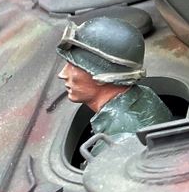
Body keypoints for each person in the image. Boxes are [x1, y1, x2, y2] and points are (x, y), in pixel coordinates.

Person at [57, 16, 171, 155]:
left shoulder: (115, 144)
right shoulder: (143, 95)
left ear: (101, 76)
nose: (62, 74)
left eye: (73, 66)